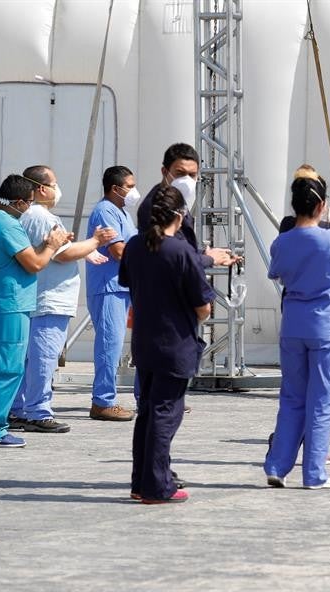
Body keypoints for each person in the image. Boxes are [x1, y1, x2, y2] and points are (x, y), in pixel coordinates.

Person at [263, 177, 330, 489]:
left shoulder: (282, 241)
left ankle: (277, 465)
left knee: (292, 396)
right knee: (320, 401)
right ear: (322, 206)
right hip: (326, 325)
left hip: (294, 323)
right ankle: (314, 473)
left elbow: (276, 272)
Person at [119, 186, 215, 504]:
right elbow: (203, 306)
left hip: (145, 340)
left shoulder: (134, 246)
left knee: (147, 412)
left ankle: (140, 481)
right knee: (165, 413)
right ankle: (157, 485)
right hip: (175, 343)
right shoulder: (180, 251)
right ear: (180, 215)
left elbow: (127, 282)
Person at [9, 165, 117, 433]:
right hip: (49, 300)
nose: (58, 189)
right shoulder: (41, 216)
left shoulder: (35, 215)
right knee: (43, 359)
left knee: (31, 359)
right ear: (42, 188)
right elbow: (63, 254)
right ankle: (37, 411)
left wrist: (83, 249)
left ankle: (19, 409)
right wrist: (95, 241)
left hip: (42, 299)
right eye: (54, 183)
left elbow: (63, 249)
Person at [0, 175, 69, 447]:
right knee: (8, 366)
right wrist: (51, 245)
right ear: (17, 202)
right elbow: (35, 264)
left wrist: (48, 244)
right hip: (11, 303)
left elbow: (24, 256)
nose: (30, 207)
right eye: (28, 203)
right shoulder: (8, 226)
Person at [85, 166, 139, 421]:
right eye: (130, 186)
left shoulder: (122, 213)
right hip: (109, 287)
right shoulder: (105, 211)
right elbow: (118, 251)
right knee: (110, 345)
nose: (133, 190)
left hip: (123, 286)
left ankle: (146, 396)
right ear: (115, 188)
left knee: (121, 344)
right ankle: (103, 401)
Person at [136, 142, 237, 268]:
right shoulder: (156, 207)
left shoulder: (177, 200)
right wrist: (209, 259)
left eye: (192, 175)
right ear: (164, 171)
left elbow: (181, 248)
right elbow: (171, 257)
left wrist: (206, 253)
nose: (187, 180)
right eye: (180, 173)